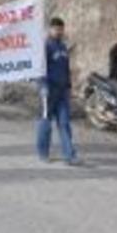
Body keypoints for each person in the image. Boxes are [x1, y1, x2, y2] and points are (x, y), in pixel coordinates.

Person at [37, 17, 80, 165]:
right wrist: (43, 86)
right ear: (50, 29)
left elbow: (66, 69)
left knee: (64, 122)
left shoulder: (62, 46)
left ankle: (69, 155)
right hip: (49, 90)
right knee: (46, 123)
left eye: (61, 29)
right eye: (56, 29)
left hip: (63, 91)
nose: (59, 31)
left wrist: (69, 86)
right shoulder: (45, 46)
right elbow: (40, 69)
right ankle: (43, 153)